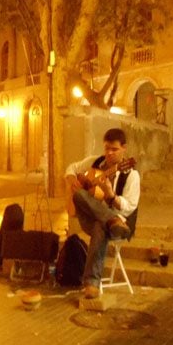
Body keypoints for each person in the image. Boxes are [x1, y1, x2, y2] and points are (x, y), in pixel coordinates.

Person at [64, 128, 140, 299]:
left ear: (124, 148)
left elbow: (130, 207)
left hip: (120, 224)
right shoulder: (95, 162)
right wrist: (72, 179)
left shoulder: (131, 175)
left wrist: (112, 196)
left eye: (114, 149)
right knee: (78, 194)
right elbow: (72, 167)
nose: (109, 153)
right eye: (107, 148)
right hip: (91, 217)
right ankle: (110, 219)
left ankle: (91, 283)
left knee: (101, 225)